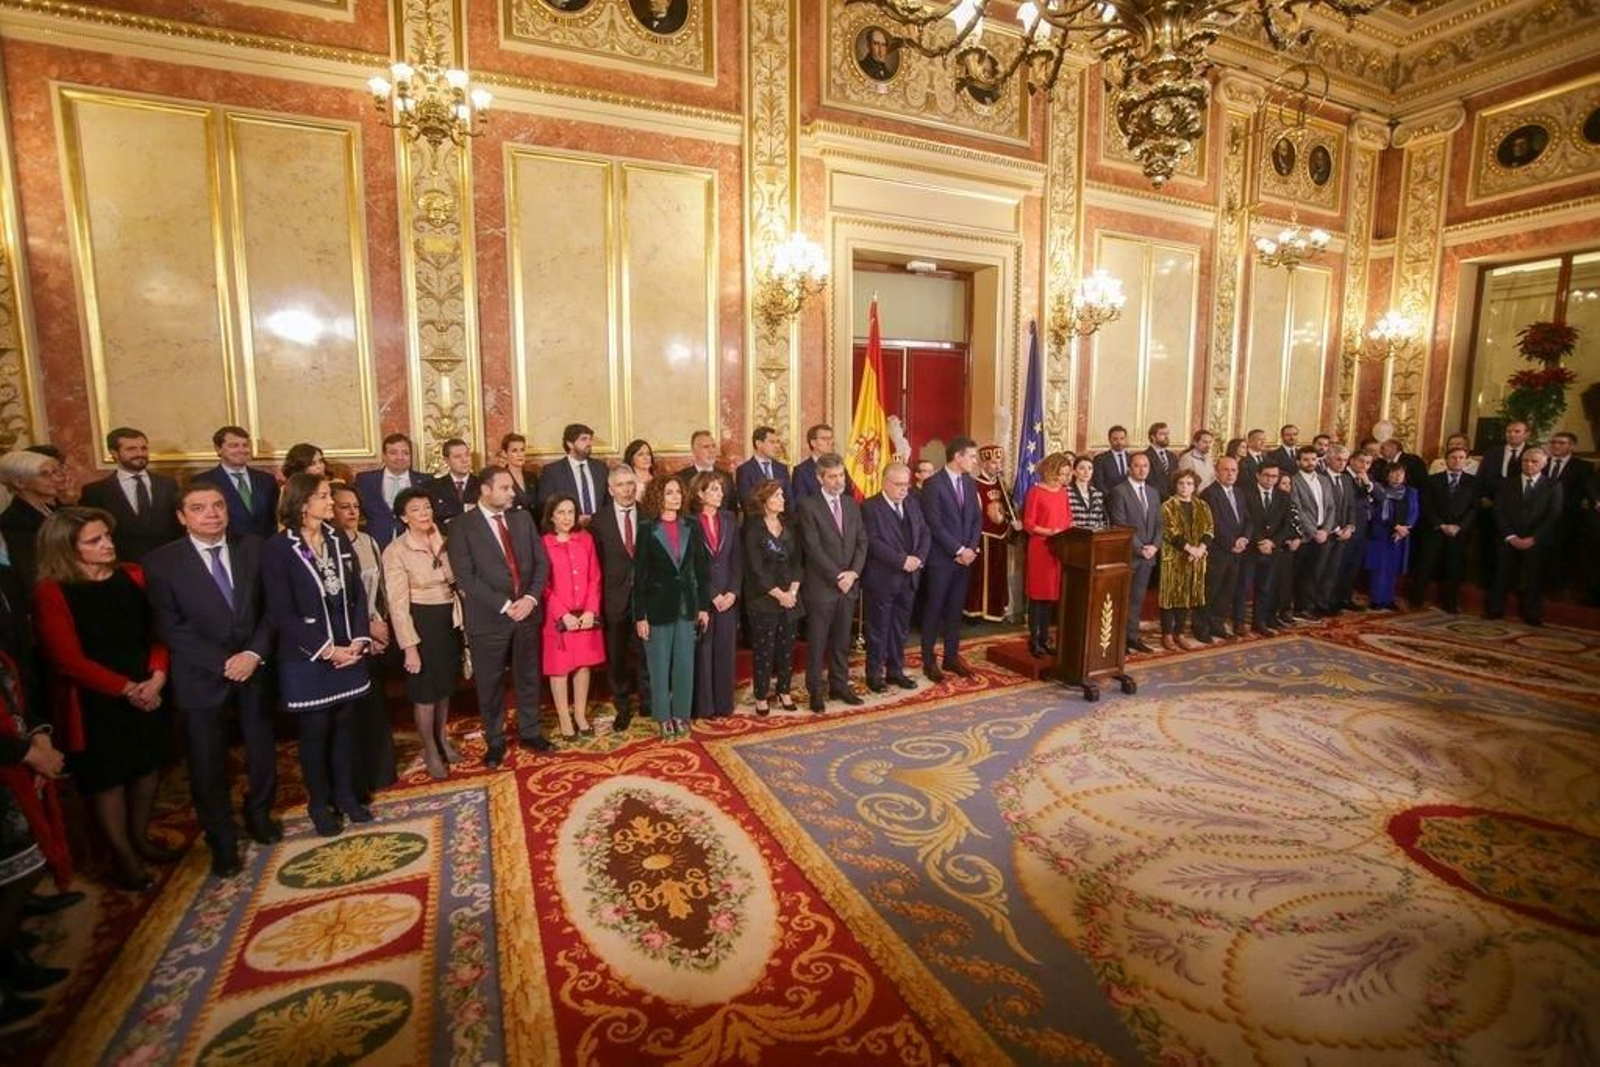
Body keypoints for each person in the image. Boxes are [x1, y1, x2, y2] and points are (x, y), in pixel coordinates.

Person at [33, 508, 172, 889]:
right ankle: (124, 858)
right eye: (94, 540)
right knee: (108, 781)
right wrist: (127, 689)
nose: (107, 544)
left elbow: (157, 632)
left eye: (107, 536)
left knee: (147, 768)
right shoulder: (53, 592)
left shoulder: (132, 575)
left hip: (149, 689)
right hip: (96, 701)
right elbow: (67, 659)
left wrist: (157, 677)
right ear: (67, 548)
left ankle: (140, 837)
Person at [144, 484, 277, 878]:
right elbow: (170, 626)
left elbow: (271, 609)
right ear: (183, 517)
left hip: (254, 668)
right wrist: (224, 663)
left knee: (262, 749)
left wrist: (252, 654)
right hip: (201, 676)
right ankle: (221, 838)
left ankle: (260, 815)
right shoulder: (161, 563)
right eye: (199, 508)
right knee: (207, 762)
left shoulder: (254, 547)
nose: (212, 514)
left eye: (218, 505)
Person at [262, 475, 373, 836]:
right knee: (315, 731)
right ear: (302, 502)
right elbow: (282, 612)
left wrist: (356, 640)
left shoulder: (336, 537)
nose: (331, 502)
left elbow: (356, 593)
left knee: (346, 726)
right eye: (324, 497)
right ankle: (319, 802)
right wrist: (327, 650)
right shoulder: (278, 548)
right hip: (309, 657)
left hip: (349, 650)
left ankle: (345, 795)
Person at [447, 466, 551, 768]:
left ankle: (531, 732)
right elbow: (466, 578)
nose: (512, 493)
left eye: (511, 488)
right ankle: (495, 740)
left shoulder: (522, 518)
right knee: (490, 684)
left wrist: (530, 599)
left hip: (527, 614)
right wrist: (506, 605)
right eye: (505, 488)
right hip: (490, 619)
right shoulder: (462, 526)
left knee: (528, 677)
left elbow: (541, 563)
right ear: (485, 490)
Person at [0, 647, 71, 1026]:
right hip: (8, 768)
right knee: (18, 876)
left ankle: (13, 963)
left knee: (23, 871)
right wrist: (27, 754)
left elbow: (18, 689)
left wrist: (38, 739)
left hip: (15, 766)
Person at [382, 488, 462, 780]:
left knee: (444, 687)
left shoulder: (443, 539)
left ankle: (441, 738)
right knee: (425, 693)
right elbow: (398, 604)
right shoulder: (396, 551)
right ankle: (429, 748)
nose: (424, 513)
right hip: (420, 621)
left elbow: (456, 578)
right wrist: (410, 647)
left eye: (427, 507)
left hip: (447, 619)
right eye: (415, 509)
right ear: (404, 517)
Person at [633, 473, 710, 739]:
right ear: (658, 496)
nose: (676, 497)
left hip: (687, 606)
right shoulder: (646, 528)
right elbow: (639, 576)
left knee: (685, 663)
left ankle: (681, 714)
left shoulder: (692, 524)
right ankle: (663, 716)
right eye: (669, 492)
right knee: (659, 664)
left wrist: (703, 607)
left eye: (678, 492)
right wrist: (640, 615)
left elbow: (700, 568)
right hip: (656, 608)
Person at [332, 483, 396, 795]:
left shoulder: (369, 541)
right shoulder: (328, 545)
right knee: (350, 714)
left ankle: (380, 772)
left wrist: (381, 622)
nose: (352, 511)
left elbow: (380, 587)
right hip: (348, 637)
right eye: (344, 506)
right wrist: (366, 629)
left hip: (375, 630)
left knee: (375, 706)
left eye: (355, 506)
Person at [796, 454, 867, 712]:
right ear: (820, 478)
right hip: (822, 588)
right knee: (818, 642)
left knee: (841, 642)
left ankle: (840, 685)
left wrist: (853, 574)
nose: (839, 481)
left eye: (841, 475)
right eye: (833, 476)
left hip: (849, 586)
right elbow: (812, 548)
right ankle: (815, 691)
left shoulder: (851, 504)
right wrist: (838, 576)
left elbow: (862, 542)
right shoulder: (808, 506)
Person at [540, 494, 604, 740]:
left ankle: (579, 714)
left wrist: (590, 610)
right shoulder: (543, 543)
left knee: (583, 665)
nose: (567, 518)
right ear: (552, 516)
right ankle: (564, 718)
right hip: (558, 617)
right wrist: (563, 614)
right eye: (561, 513)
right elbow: (543, 586)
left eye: (570, 512)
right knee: (560, 669)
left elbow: (594, 578)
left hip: (585, 614)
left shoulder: (585, 539)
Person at [919, 436, 982, 681]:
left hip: (965, 559)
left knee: (956, 610)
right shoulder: (933, 484)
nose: (975, 461)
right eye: (972, 456)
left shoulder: (969, 483)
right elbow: (933, 524)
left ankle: (951, 657)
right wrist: (958, 550)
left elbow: (976, 519)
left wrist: (971, 549)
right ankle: (928, 661)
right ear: (958, 457)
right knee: (934, 609)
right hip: (942, 560)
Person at [860, 462, 927, 691]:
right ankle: (874, 674)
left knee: (900, 629)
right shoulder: (870, 507)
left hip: (909, 578)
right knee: (878, 628)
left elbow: (924, 532)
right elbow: (873, 542)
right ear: (885, 482)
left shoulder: (912, 502)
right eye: (898, 485)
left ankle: (895, 670)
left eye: (906, 485)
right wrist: (902, 561)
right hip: (882, 579)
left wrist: (918, 558)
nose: (903, 489)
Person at [591, 467, 647, 731]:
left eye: (630, 484)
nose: (627, 489)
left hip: (646, 599)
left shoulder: (648, 515)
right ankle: (623, 705)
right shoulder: (598, 521)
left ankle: (648, 702)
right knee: (618, 656)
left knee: (648, 652)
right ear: (611, 489)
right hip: (614, 599)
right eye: (621, 485)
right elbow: (596, 564)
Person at [742, 481, 803, 715]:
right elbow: (756, 571)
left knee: (787, 647)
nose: (783, 499)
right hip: (764, 598)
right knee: (764, 650)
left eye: (782, 495)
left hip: (791, 597)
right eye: (777, 496)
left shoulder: (790, 524)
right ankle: (761, 695)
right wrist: (779, 595)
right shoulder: (753, 529)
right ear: (765, 500)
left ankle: (784, 690)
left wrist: (793, 593)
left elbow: (799, 561)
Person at [78, 428, 181, 562]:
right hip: (121, 566)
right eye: (131, 449)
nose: (140, 453)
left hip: (167, 562)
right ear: (114, 453)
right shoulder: (95, 492)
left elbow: (178, 527)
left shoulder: (168, 485)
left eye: (143, 448)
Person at [1486, 447, 1563, 626]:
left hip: (1536, 540)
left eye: (1534, 461)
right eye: (1525, 461)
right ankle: (1495, 609)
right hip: (1508, 538)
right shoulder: (1506, 484)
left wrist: (1534, 538)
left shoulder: (1553, 485)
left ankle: (1532, 613)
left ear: (1544, 463)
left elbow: (1554, 514)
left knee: (1534, 577)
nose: (1528, 464)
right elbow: (1499, 511)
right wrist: (1510, 536)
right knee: (1501, 574)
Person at [690, 472, 740, 719]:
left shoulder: (730, 519)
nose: (720, 494)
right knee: (704, 651)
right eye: (714, 490)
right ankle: (704, 706)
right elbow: (690, 565)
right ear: (700, 494)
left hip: (728, 596)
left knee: (725, 649)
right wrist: (712, 595)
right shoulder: (689, 522)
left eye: (721, 490)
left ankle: (723, 703)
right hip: (704, 596)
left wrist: (732, 591)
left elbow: (736, 560)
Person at [1413, 446, 1479, 613]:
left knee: (1454, 568)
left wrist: (1460, 526)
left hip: (1458, 532)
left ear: (1466, 460)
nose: (1457, 460)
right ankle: (1416, 600)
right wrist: (1440, 525)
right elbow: (1426, 505)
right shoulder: (1432, 480)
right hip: (1434, 530)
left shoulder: (1474, 482)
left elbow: (1474, 508)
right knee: (1425, 565)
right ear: (1446, 460)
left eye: (1461, 457)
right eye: (1453, 457)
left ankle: (1450, 603)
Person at [1021, 452, 1072, 658]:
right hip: (1041, 547)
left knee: (1051, 596)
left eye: (1067, 474)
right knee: (1038, 596)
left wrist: (1067, 530)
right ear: (1052, 471)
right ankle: (1035, 640)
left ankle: (1045, 638)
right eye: (1062, 474)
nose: (1065, 478)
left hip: (1059, 548)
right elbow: (1028, 523)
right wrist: (1050, 532)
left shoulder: (1063, 493)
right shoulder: (1035, 492)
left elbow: (1069, 518)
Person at [1109, 453, 1160, 654]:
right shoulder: (1119, 492)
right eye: (1137, 466)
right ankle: (1117, 640)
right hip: (1128, 555)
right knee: (1122, 598)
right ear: (1130, 468)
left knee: (1138, 599)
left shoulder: (1153, 492)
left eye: (1145, 465)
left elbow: (1158, 524)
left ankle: (1132, 637)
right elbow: (1119, 524)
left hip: (1149, 556)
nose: (1142, 469)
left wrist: (1154, 546)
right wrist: (1141, 548)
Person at [1158, 470, 1214, 649]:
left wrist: (1200, 549)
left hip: (1196, 558)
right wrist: (1190, 548)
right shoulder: (1167, 506)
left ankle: (1179, 633)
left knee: (1187, 596)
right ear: (1175, 485)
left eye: (1189, 483)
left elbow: (1209, 529)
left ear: (1195, 486)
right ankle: (1167, 634)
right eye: (1181, 483)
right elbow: (1170, 532)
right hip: (1174, 558)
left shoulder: (1202, 505)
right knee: (1170, 596)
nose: (1185, 487)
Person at [192, 425, 279, 540]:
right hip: (227, 550)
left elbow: (274, 520)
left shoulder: (266, 480)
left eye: (245, 445)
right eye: (234, 446)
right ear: (218, 449)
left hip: (265, 549)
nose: (242, 450)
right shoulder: (203, 481)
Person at [1201, 454, 1254, 640]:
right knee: (1210, 590)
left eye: (1234, 470)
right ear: (1217, 472)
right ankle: (1202, 629)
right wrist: (1232, 543)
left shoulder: (1239, 493)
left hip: (1237, 551)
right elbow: (1213, 524)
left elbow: (1247, 519)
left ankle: (1217, 624)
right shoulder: (1209, 494)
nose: (1230, 474)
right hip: (1218, 551)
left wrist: (1244, 539)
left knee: (1227, 591)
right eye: (1226, 470)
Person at [965, 445, 1018, 622]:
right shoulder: (974, 485)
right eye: (994, 462)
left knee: (997, 574)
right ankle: (976, 611)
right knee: (979, 576)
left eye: (1000, 462)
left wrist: (1013, 521)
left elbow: (1007, 508)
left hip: (1000, 536)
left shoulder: (1002, 484)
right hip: (982, 537)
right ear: (984, 464)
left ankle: (995, 611)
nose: (998, 466)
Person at [1477, 419, 1529, 588]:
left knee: (1513, 552)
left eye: (1516, 431)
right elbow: (1481, 477)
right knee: (1488, 546)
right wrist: (1483, 496)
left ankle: (1513, 585)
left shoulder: (1532, 454)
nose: (1511, 434)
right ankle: (1486, 581)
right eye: (1509, 431)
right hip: (1490, 507)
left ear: (1526, 434)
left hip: (1518, 512)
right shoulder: (1493, 453)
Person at [354, 433, 429, 546]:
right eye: (393, 453)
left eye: (405, 453)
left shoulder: (426, 481)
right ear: (384, 456)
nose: (400, 457)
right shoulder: (365, 480)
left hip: (414, 542)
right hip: (374, 541)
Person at [0, 451, 61, 587]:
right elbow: (32, 575)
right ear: (20, 482)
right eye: (45, 474)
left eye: (55, 473)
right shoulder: (13, 521)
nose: (56, 479)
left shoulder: (55, 510)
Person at [1289, 446, 1337, 619]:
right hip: (1305, 536)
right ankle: (1297, 607)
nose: (1310, 463)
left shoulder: (1323, 480)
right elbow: (1297, 509)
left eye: (1313, 459)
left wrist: (1325, 530)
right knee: (1301, 573)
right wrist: (1313, 531)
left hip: (1323, 533)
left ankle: (1309, 605)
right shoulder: (1294, 481)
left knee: (1316, 572)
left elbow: (1331, 507)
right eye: (1306, 459)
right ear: (1298, 462)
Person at [1364, 464, 1419, 610]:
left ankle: (1388, 599)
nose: (1397, 477)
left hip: (1400, 536)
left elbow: (1414, 511)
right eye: (1393, 474)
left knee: (1392, 568)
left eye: (1400, 474)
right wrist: (1395, 526)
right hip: (1381, 532)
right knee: (1379, 567)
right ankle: (1376, 599)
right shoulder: (1379, 490)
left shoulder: (1411, 492)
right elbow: (1376, 513)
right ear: (1387, 475)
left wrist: (1406, 528)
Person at [1544, 431, 1593, 594]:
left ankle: (1556, 588)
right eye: (1554, 442)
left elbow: (1583, 493)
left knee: (1561, 554)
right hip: (1539, 519)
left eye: (1562, 443)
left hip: (1566, 519)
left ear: (1572, 446)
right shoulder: (1541, 462)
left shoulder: (1583, 466)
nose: (1556, 446)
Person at [1245, 461, 1291, 636]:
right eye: (1267, 475)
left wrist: (1272, 542)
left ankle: (1260, 622)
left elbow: (1286, 525)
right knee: (1243, 588)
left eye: (1274, 476)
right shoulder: (1247, 494)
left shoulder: (1283, 496)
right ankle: (1239, 623)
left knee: (1266, 588)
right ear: (1258, 475)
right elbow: (1246, 519)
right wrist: (1260, 541)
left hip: (1272, 549)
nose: (1270, 480)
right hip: (1251, 549)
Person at [1330, 451, 1376, 612]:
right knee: (1339, 566)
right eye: (1361, 461)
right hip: (1343, 528)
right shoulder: (1343, 477)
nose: (1364, 466)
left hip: (1361, 528)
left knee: (1353, 566)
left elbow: (1381, 497)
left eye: (1368, 463)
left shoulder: (1366, 479)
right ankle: (1332, 599)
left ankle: (1345, 597)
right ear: (1352, 461)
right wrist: (1346, 526)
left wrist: (1369, 484)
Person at [536, 423, 609, 523]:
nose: (589, 443)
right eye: (584, 439)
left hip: (600, 528)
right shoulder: (552, 471)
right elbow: (546, 504)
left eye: (590, 439)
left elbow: (608, 500)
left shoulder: (601, 468)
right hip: (569, 530)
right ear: (570, 444)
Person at [792, 424, 853, 501]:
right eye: (824, 439)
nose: (829, 442)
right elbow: (801, 502)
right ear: (813, 443)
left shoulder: (840, 466)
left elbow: (849, 495)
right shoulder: (801, 471)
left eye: (831, 438)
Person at [736, 426, 792, 508]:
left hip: (781, 519)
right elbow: (746, 502)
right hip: (756, 519)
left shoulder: (782, 468)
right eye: (772, 442)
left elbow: (789, 499)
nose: (777, 446)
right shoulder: (744, 470)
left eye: (777, 442)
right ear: (758, 444)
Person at [428, 437, 480, 527]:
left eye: (467, 455)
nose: (464, 460)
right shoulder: (434, 487)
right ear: (447, 460)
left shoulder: (482, 484)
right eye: (457, 457)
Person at [676, 429, 737, 504]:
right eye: (706, 447)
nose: (711, 451)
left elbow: (732, 509)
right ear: (694, 451)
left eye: (713, 446)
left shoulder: (726, 477)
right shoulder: (680, 478)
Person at [497, 433, 538, 512]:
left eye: (522, 450)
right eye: (514, 451)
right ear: (505, 453)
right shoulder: (501, 478)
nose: (520, 454)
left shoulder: (532, 477)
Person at [1067, 455, 1107, 530]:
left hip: (1094, 537)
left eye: (1090, 468)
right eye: (1082, 468)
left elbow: (1101, 520)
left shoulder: (1097, 494)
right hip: (1073, 536)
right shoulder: (1067, 492)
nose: (1086, 472)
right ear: (1074, 472)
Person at [1092, 425, 1134, 495]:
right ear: (1109, 440)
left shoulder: (1132, 458)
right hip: (1109, 499)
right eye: (1115, 439)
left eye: (1122, 439)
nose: (1119, 442)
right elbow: (1098, 483)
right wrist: (1111, 497)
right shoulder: (1100, 459)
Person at [1144, 422, 1179, 499]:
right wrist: (1166, 497)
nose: (1166, 437)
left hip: (1172, 500)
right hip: (1154, 499)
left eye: (1167, 434)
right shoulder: (1145, 456)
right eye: (1162, 434)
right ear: (1153, 437)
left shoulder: (1172, 456)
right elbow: (1148, 482)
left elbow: (1177, 478)